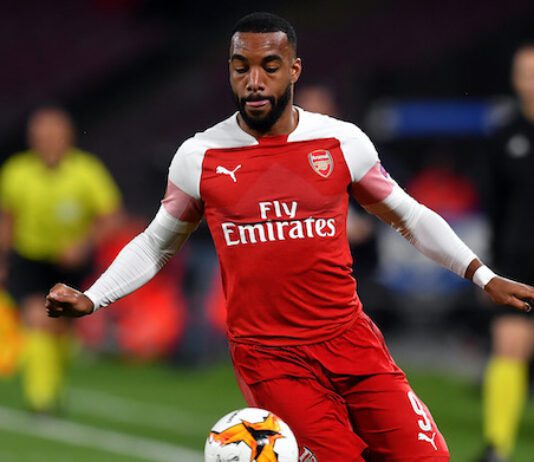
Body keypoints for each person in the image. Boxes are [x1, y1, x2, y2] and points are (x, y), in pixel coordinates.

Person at [45, 13, 534, 461]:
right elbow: (156, 243)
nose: (254, 81)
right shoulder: (200, 157)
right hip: (271, 358)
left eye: (270, 66)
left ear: (294, 70)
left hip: (352, 341)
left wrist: (482, 275)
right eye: (241, 68)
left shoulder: (340, 142)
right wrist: (94, 297)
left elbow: (409, 215)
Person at [0, 106, 122, 413]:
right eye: (41, 135)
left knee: (59, 329)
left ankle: (52, 385)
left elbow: (112, 217)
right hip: (29, 259)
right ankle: (41, 399)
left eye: (54, 134)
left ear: (68, 137)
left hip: (71, 263)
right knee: (37, 318)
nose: (48, 141)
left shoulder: (87, 171)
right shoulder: (16, 171)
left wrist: (84, 243)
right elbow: (7, 219)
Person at [478, 42, 534, 462]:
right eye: (525, 73)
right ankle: (497, 447)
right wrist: (492, 266)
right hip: (518, 259)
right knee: (509, 346)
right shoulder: (503, 134)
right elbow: (492, 205)